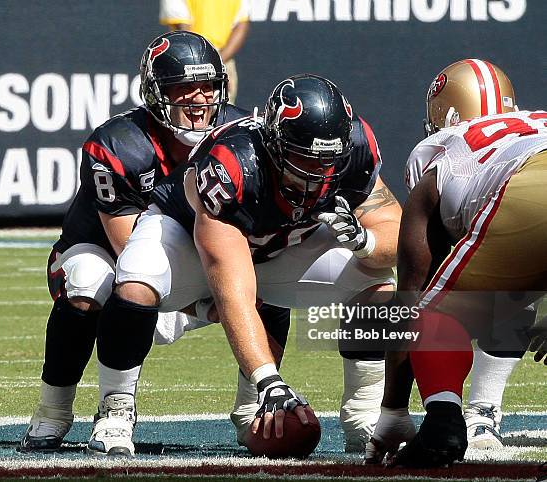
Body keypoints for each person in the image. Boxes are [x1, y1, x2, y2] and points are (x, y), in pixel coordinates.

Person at [88, 74, 402, 457]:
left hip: (279, 245)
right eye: (303, 156)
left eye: (327, 160)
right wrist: (269, 380)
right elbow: (234, 289)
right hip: (186, 238)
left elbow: (393, 229)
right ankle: (115, 409)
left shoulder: (354, 149)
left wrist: (365, 241)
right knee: (137, 281)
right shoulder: (234, 166)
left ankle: (363, 414)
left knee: (376, 281)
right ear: (273, 144)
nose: (316, 170)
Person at [19, 30, 247, 452]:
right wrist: (200, 302)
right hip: (100, 250)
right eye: (183, 88)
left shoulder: (239, 133)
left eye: (207, 87)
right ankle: (55, 410)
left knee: (264, 275)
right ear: (156, 93)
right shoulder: (119, 143)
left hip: (191, 257)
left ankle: (254, 409)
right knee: (90, 283)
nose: (198, 101)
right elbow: (129, 250)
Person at [366, 60, 547, 467]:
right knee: (511, 293)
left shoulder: (441, 151)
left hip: (523, 189)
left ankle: (444, 420)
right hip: (532, 169)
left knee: (434, 313)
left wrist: (394, 409)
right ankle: (478, 415)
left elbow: (410, 301)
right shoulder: (537, 121)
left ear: (447, 113)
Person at [160, 0, 250, 104]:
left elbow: (242, 24)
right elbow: (184, 31)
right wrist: (215, 65)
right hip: (189, 62)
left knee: (223, 114)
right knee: (189, 110)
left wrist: (217, 64)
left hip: (219, 62)